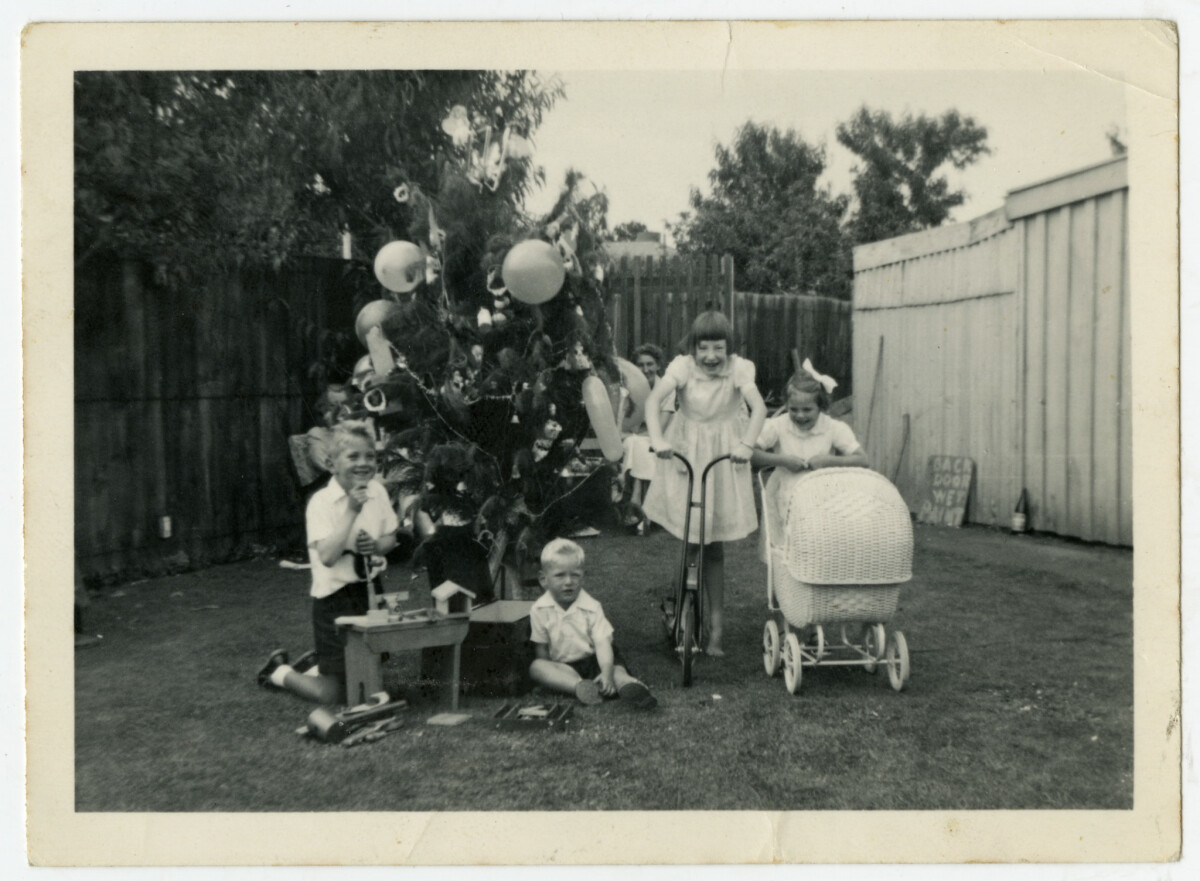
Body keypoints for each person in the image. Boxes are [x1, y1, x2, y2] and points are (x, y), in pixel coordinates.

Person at [643, 311, 767, 657]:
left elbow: (758, 408)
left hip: (724, 459)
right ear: (693, 347)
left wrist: (747, 443)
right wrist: (657, 438)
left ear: (729, 348)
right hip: (685, 455)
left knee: (714, 547)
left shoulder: (739, 369)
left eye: (718, 347)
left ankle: (717, 630)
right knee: (689, 542)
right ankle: (680, 616)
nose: (711, 356)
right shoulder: (682, 367)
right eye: (703, 347)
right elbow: (654, 401)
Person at [258, 420, 399, 704]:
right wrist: (351, 510)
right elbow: (327, 556)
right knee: (335, 694)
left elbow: (391, 538)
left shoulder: (378, 492)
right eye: (353, 456)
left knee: (370, 673)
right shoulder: (321, 503)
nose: (363, 463)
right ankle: (280, 671)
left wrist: (375, 546)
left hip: (369, 593)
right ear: (332, 464)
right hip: (335, 601)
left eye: (370, 456)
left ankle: (318, 664)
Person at [528, 538, 657, 709]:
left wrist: (606, 672)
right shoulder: (539, 609)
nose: (568, 582)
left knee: (617, 671)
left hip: (597, 660)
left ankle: (629, 686)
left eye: (575, 575)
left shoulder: (591, 607)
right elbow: (541, 649)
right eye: (560, 575)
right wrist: (549, 675)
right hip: (565, 667)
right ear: (544, 579)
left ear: (583, 577)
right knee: (537, 667)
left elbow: (603, 644)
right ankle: (580, 687)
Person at [752, 361, 868, 529]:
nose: (800, 415)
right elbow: (752, 454)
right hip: (784, 493)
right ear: (787, 406)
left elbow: (862, 460)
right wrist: (783, 460)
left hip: (823, 496)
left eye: (807, 410)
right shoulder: (778, 425)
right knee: (784, 545)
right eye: (793, 409)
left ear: (821, 406)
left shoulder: (833, 428)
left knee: (817, 544)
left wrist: (827, 461)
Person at [620, 343, 674, 531]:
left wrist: (637, 432)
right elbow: (624, 422)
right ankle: (641, 506)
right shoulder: (629, 388)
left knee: (638, 443)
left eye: (650, 364)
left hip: (661, 440)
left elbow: (659, 428)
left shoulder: (666, 388)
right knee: (634, 443)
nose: (645, 369)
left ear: (658, 365)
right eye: (640, 365)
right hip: (635, 439)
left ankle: (634, 500)